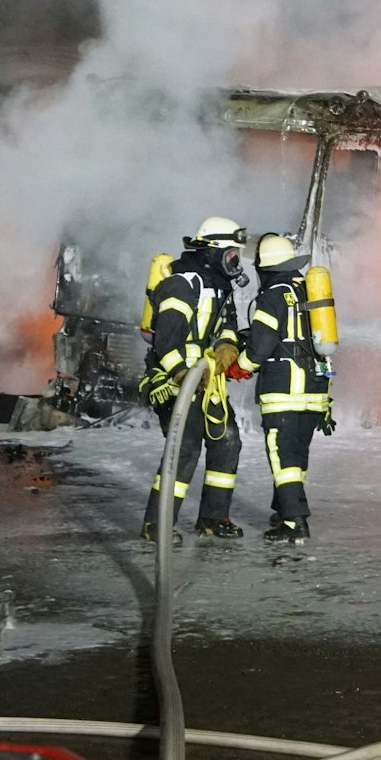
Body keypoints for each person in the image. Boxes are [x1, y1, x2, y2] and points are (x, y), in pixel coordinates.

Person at [137, 216, 249, 542]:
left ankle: (214, 518)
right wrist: (183, 374)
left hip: (205, 381)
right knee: (183, 449)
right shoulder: (180, 285)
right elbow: (166, 344)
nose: (235, 263)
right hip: (173, 382)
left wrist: (227, 345)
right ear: (212, 251)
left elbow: (227, 322)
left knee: (227, 441)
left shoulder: (218, 286)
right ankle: (156, 524)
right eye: (231, 255)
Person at [239, 233, 333, 544]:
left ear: (264, 268)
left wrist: (241, 365)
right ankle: (283, 510)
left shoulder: (273, 294)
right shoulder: (306, 289)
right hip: (314, 393)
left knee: (282, 459)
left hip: (284, 393)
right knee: (296, 458)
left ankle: (295, 522)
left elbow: (262, 345)